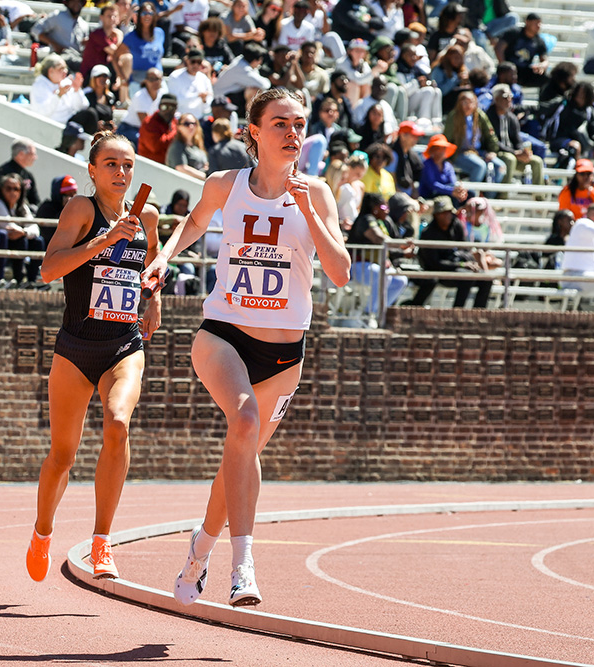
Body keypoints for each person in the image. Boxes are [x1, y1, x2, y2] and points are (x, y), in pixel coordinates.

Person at [141, 88, 349, 607]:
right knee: (245, 423)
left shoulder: (317, 193)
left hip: (284, 353)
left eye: (299, 124)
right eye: (280, 123)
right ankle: (244, 567)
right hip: (224, 334)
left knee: (241, 456)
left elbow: (340, 273)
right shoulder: (224, 184)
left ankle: (199, 551)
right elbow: (193, 223)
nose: (292, 133)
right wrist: (164, 255)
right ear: (254, 132)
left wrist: (308, 210)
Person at [27, 131, 161, 583]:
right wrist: (104, 242)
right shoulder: (81, 210)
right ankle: (42, 532)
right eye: (111, 164)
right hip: (76, 346)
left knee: (118, 423)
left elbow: (151, 266)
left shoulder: (147, 216)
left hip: (123, 343)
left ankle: (102, 542)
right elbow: (49, 269)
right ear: (93, 169)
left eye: (127, 165)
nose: (121, 173)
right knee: (62, 456)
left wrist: (154, 298)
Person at [407, 195, 493, 308]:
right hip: (438, 270)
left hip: (457, 266)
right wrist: (461, 264)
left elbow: (465, 249)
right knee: (466, 277)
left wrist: (467, 261)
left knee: (486, 280)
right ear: (436, 215)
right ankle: (457, 312)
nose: (447, 216)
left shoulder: (456, 225)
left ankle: (479, 312)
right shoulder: (428, 233)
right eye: (443, 213)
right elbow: (434, 264)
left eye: (449, 212)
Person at [345, 192, 409, 316]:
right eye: (384, 207)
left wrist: (402, 250)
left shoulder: (382, 222)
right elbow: (379, 239)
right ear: (375, 208)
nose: (387, 211)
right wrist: (402, 245)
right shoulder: (366, 219)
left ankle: (379, 312)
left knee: (400, 280)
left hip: (373, 266)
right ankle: (368, 314)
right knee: (382, 275)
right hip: (356, 265)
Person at [0, 173, 44, 287]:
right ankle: (19, 280)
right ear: (1, 190)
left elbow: (34, 228)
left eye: (16, 189)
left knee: (38, 241)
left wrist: (24, 232)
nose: (12, 192)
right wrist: (24, 232)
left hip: (15, 240)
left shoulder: (21, 206)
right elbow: (9, 226)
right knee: (21, 240)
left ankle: (31, 281)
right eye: (8, 189)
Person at [545, 81, 594, 172]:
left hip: (585, 143)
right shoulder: (563, 105)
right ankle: (578, 178)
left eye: (584, 94)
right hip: (561, 140)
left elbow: (593, 132)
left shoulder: (590, 111)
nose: (580, 96)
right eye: (579, 93)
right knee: (576, 146)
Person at [445, 91, 506, 190]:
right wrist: (447, 158)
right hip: (459, 153)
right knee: (480, 166)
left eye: (471, 102)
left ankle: (489, 197)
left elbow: (491, 135)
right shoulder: (454, 117)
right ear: (459, 103)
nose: (468, 106)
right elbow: (446, 139)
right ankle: (471, 197)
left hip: (478, 152)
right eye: (465, 103)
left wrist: (492, 151)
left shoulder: (479, 116)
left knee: (500, 166)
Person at [487, 83, 542, 186]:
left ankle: (540, 198)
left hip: (512, 153)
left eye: (510, 96)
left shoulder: (511, 118)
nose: (509, 99)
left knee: (537, 161)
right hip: (496, 153)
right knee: (509, 159)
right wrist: (514, 152)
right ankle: (503, 196)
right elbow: (492, 141)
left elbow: (517, 139)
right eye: (505, 97)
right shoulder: (488, 117)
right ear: (496, 99)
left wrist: (522, 152)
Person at [30, 54, 90, 126]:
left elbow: (83, 106)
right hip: (52, 125)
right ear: (51, 71)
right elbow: (42, 112)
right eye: (61, 68)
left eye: (66, 68)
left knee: (90, 114)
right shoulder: (39, 86)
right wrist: (58, 95)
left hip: (69, 122)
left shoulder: (66, 82)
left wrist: (77, 90)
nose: (65, 71)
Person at [31, 0, 90, 72]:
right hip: (59, 56)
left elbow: (83, 48)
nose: (77, 4)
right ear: (67, 3)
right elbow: (35, 30)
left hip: (76, 58)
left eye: (79, 2)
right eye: (73, 1)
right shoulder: (57, 16)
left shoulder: (84, 24)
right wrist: (54, 44)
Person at [115, 2, 165, 85]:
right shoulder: (131, 36)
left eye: (150, 13)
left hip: (157, 79)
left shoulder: (160, 33)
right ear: (139, 16)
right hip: (138, 80)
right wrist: (122, 77)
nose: (147, 16)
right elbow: (115, 56)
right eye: (144, 13)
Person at [495, 13, 548, 88]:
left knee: (546, 79)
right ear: (527, 22)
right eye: (536, 23)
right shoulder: (514, 33)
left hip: (524, 71)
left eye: (540, 23)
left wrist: (541, 66)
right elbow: (499, 48)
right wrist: (503, 65)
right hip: (510, 68)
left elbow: (545, 60)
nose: (538, 26)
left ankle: (545, 99)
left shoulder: (539, 40)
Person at [117, 67, 166, 147]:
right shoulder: (139, 96)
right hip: (129, 129)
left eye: (157, 79)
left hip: (151, 129)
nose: (155, 82)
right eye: (151, 79)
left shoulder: (163, 95)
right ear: (146, 80)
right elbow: (145, 122)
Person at [419, 133, 468, 206]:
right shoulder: (427, 165)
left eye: (442, 148)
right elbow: (432, 185)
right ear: (432, 150)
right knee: (449, 200)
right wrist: (451, 191)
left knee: (470, 195)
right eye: (437, 148)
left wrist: (459, 190)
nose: (439, 151)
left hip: (447, 194)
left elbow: (453, 183)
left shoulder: (448, 166)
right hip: (430, 195)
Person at [167, 48, 214, 120]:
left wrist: (204, 100)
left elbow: (208, 108)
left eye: (199, 62)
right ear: (187, 61)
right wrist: (197, 96)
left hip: (199, 120)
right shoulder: (175, 76)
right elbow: (173, 102)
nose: (195, 65)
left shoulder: (204, 79)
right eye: (193, 61)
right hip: (179, 119)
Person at [0, 138, 40, 207]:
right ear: (21, 154)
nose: (35, 158)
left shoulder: (28, 175)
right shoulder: (3, 172)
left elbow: (35, 201)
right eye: (32, 154)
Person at [35, 175, 79, 247]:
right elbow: (49, 234)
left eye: (73, 193)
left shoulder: (78, 208)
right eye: (67, 194)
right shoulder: (46, 208)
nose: (71, 198)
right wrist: (66, 210)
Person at [138, 93, 179, 164]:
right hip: (151, 167)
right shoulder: (149, 122)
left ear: (176, 109)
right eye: (164, 107)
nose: (167, 111)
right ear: (159, 107)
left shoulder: (175, 122)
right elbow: (155, 146)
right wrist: (177, 133)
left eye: (172, 107)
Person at [166, 113, 209, 181]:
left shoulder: (198, 147)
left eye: (194, 123)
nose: (191, 126)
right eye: (186, 124)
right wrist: (205, 177)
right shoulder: (177, 146)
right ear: (179, 127)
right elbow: (181, 168)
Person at [390, 120, 425, 195]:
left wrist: (414, 191)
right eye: (413, 136)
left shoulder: (410, 155)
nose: (416, 139)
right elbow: (391, 183)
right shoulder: (393, 155)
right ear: (403, 135)